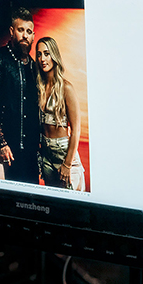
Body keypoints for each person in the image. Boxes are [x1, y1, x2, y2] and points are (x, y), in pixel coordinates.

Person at [0, 7, 40, 183]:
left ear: (33, 36)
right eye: (20, 30)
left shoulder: (33, 66)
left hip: (32, 148)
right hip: (10, 146)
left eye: (28, 31)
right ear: (11, 31)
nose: (25, 35)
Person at [35, 36, 85, 191]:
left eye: (47, 53)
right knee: (54, 203)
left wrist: (67, 164)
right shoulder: (39, 88)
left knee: (72, 206)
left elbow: (76, 130)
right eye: (39, 54)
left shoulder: (66, 88)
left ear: (54, 55)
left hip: (64, 153)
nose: (42, 59)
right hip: (46, 155)